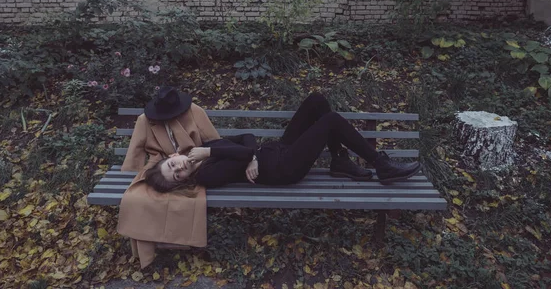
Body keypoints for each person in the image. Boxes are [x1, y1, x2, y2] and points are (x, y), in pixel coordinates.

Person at [144, 93, 421, 192]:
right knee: (331, 120)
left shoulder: (199, 151)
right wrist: (210, 150)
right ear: (181, 181)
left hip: (277, 150)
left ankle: (339, 160)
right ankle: (379, 164)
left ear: (172, 156)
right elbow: (242, 149)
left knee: (316, 102)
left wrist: (249, 156)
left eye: (172, 164)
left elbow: (247, 140)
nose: (179, 167)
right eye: (176, 174)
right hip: (284, 169)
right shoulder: (207, 175)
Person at [116, 86, 221, 269]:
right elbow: (137, 147)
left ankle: (178, 241)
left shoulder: (194, 111)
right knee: (138, 198)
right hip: (159, 165)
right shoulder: (145, 120)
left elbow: (213, 140)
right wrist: (131, 172)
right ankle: (149, 246)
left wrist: (207, 158)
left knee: (188, 198)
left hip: (190, 163)